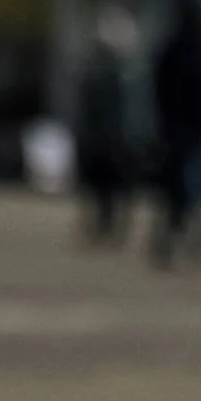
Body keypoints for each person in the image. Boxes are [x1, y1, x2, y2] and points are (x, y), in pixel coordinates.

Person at [150, 0, 201, 266]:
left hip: (184, 129)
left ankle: (178, 238)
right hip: (183, 130)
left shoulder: (184, 48)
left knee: (184, 189)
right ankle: (180, 238)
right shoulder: (191, 50)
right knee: (184, 189)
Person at [74, 13, 136, 246]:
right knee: (105, 187)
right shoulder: (110, 74)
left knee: (106, 187)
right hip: (107, 139)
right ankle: (106, 225)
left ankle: (107, 225)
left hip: (107, 138)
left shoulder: (111, 74)